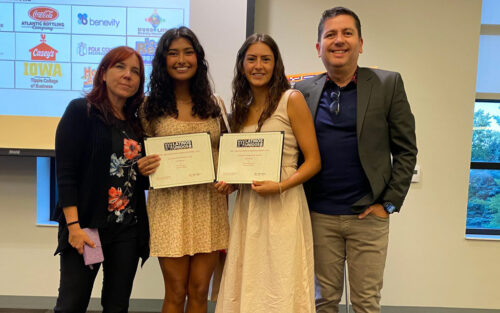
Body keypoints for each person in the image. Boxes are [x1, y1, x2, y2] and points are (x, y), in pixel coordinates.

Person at [294, 7, 418, 313]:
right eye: (330, 34)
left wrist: (388, 204)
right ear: (318, 47)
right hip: (318, 217)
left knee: (365, 304)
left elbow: (406, 151)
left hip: (368, 217)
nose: (339, 40)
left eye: (347, 33)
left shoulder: (388, 84)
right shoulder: (302, 91)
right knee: (323, 302)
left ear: (360, 43)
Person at [214, 33, 321, 313]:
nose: (258, 66)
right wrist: (232, 184)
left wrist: (282, 186)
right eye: (251, 59)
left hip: (284, 204)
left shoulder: (291, 99)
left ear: (276, 65)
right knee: (250, 281)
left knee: (282, 281)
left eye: (265, 59)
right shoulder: (240, 109)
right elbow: (243, 165)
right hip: (250, 207)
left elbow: (313, 161)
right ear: (241, 65)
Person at [138, 26, 229, 313]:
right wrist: (141, 165)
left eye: (188, 52)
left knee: (200, 292)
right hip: (169, 207)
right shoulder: (148, 107)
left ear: (198, 59)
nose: (181, 59)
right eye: (173, 53)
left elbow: (230, 152)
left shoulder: (216, 104)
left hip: (209, 204)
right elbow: (136, 156)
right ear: (163, 61)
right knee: (176, 292)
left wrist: (233, 177)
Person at [53, 46, 149, 313]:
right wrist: (73, 226)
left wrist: (145, 170)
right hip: (87, 227)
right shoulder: (81, 111)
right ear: (104, 73)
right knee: (72, 303)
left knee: (117, 306)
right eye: (120, 67)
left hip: (127, 229)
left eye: (135, 72)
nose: (128, 75)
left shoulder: (135, 124)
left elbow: (130, 176)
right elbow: (66, 174)